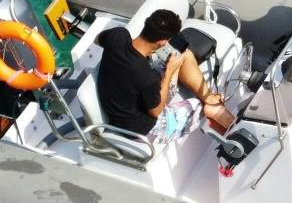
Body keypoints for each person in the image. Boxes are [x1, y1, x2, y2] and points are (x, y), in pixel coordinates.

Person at [93, 9, 233, 141]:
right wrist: (169, 72)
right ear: (162, 42)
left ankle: (209, 97)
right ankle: (226, 121)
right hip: (139, 128)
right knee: (198, 105)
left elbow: (98, 39)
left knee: (184, 54)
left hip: (128, 96)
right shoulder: (147, 77)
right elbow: (156, 111)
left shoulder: (117, 35)